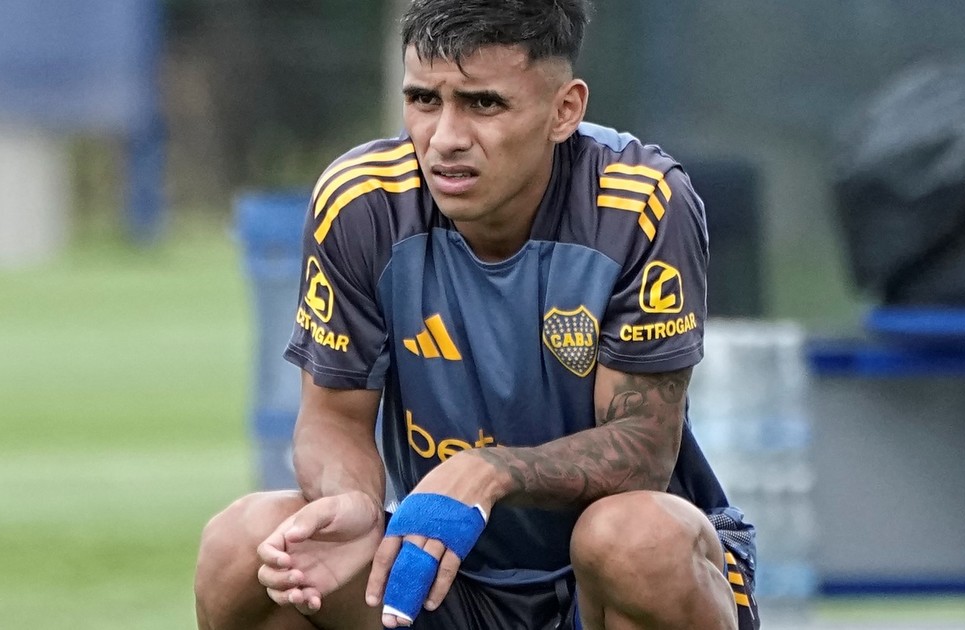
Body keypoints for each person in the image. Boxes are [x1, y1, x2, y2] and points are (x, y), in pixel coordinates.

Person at [195, 1, 758, 628]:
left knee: (635, 541)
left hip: (610, 580)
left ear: (565, 110)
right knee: (245, 545)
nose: (445, 138)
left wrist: (491, 471)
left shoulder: (640, 202)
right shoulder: (361, 203)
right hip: (443, 577)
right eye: (423, 100)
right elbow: (332, 420)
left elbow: (644, 451)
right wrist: (353, 502)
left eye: (483, 103)